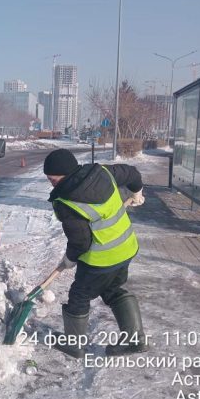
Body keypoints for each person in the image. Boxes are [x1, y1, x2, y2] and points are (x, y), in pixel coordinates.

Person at [43, 148, 148, 359]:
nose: (51, 183)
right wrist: (137, 191)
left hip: (101, 259)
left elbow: (80, 242)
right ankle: (135, 339)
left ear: (64, 175)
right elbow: (133, 174)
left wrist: (69, 258)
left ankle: (74, 345)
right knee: (111, 288)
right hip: (126, 248)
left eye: (53, 179)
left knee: (79, 295)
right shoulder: (102, 172)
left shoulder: (67, 202)